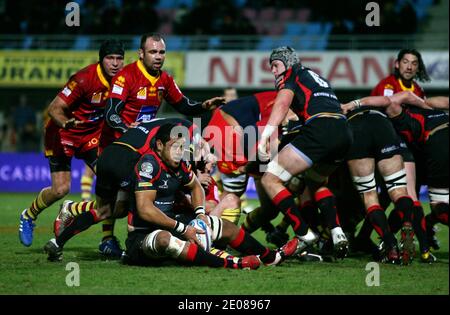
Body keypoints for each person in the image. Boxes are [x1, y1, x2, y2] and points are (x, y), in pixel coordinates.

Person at [46, 123, 296, 267]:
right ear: (159, 146)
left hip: (175, 222)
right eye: (174, 147)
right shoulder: (148, 165)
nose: (179, 152)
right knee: (137, 223)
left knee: (224, 227)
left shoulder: (181, 164)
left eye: (181, 147)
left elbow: (195, 187)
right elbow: (145, 210)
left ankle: (271, 256)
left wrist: (199, 216)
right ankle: (233, 263)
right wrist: (183, 226)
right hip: (142, 232)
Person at [97, 33, 224, 255]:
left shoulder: (164, 80)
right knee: (116, 204)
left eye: (161, 52)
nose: (158, 57)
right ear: (141, 53)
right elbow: (110, 114)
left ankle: (124, 240)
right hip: (118, 148)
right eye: (153, 52)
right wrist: (130, 130)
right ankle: (118, 240)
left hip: (142, 149)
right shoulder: (126, 77)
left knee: (126, 203)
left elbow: (184, 105)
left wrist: (204, 105)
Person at [18, 39, 125, 247]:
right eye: (110, 58)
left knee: (112, 183)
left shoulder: (122, 80)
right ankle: (28, 215)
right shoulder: (84, 79)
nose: (115, 63)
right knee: (60, 189)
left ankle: (106, 239)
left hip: (91, 136)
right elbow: (54, 108)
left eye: (119, 59)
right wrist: (66, 123)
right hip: (61, 132)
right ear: (101, 60)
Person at [46, 118, 200, 260]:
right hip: (127, 161)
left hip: (107, 157)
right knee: (134, 206)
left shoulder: (156, 124)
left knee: (104, 209)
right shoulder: (183, 130)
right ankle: (134, 249)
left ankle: (57, 242)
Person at [258, 46, 352, 257]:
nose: (273, 71)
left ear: (287, 63)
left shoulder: (291, 75)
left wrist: (266, 136)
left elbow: (282, 104)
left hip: (321, 129)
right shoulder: (316, 77)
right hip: (344, 132)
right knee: (316, 182)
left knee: (270, 179)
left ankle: (303, 233)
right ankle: (337, 232)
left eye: (275, 65)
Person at [341, 91, 433, 264]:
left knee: (369, 196)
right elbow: (387, 100)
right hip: (382, 128)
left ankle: (390, 245)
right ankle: (406, 223)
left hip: (356, 131)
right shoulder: (377, 106)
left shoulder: (343, 111)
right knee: (398, 190)